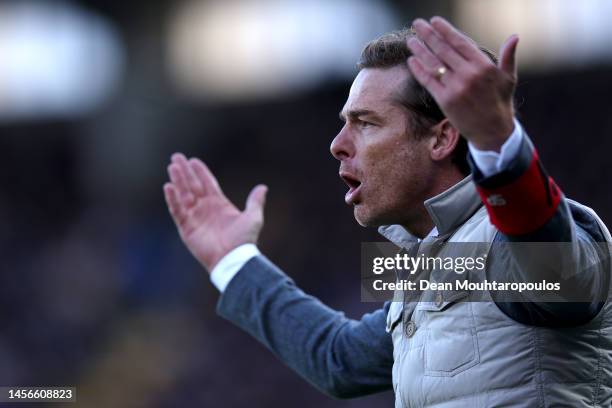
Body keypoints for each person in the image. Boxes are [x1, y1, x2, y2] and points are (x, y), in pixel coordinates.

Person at [163, 17, 612, 407]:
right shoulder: (429, 265)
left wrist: (498, 145)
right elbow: (340, 360)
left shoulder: (543, 242)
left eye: (366, 123)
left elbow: (552, 269)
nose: (337, 144)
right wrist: (232, 259)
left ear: (441, 139)